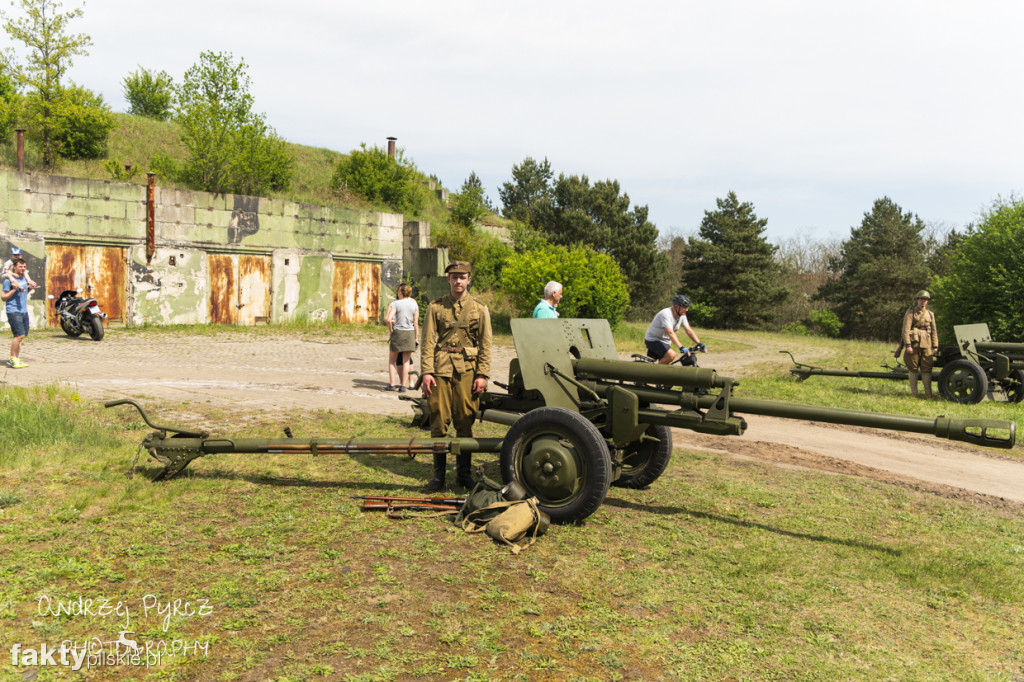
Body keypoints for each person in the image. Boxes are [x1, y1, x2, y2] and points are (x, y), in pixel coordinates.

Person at [420, 260, 493, 490]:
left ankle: (463, 474)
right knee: (438, 421)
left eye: (462, 277)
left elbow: (486, 344)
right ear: (448, 280)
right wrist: (426, 372)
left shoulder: (479, 309)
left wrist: (482, 374)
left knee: (465, 421)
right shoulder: (436, 307)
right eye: (454, 277)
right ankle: (439, 475)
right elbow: (427, 342)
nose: (458, 281)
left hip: (467, 372)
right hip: (440, 370)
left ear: (469, 280)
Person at [644, 294, 705, 365]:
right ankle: (653, 374)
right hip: (653, 339)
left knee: (668, 365)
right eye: (685, 307)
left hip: (665, 342)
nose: (687, 310)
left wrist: (700, 344)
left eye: (687, 307)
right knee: (671, 355)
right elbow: (670, 332)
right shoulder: (666, 314)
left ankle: (658, 374)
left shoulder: (682, 315)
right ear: (676, 306)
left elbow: (688, 330)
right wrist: (681, 347)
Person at [901, 289, 939, 399]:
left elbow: (934, 331)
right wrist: (908, 345)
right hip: (914, 344)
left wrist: (935, 346)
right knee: (913, 369)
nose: (923, 301)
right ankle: (914, 393)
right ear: (918, 299)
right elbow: (906, 330)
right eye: (922, 299)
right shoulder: (911, 313)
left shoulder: (930, 314)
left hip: (927, 344)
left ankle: (928, 393)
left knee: (927, 369)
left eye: (926, 299)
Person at [384, 284, 419, 392]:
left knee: (392, 361)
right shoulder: (414, 304)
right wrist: (416, 338)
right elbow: (416, 323)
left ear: (400, 292)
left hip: (398, 332)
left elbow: (388, 319)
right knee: (406, 361)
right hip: (410, 333)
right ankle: (404, 385)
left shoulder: (396, 303)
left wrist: (391, 330)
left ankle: (392, 385)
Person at [2, 258, 31, 368]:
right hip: (13, 311)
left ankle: (17, 359)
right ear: (14, 267)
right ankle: (12, 358)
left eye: (24, 267)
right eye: (20, 266)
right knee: (19, 335)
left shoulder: (24, 278)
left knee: (21, 337)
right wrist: (14, 289)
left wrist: (30, 288)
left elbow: (23, 292)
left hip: (23, 311)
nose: (23, 268)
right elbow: (3, 297)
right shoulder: (8, 281)